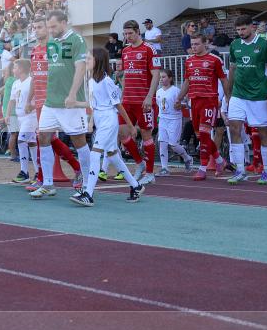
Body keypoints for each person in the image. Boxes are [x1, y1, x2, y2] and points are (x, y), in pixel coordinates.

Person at [71, 48, 145, 206]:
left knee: (95, 153)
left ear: (97, 60)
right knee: (112, 155)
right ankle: (136, 186)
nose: (87, 61)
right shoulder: (91, 81)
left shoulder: (107, 81)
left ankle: (88, 194)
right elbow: (92, 104)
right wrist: (76, 104)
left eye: (89, 58)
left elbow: (118, 105)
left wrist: (131, 126)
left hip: (108, 120)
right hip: (100, 119)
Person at [34, 10, 91, 200]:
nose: (51, 30)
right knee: (43, 137)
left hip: (70, 103)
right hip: (51, 101)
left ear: (64, 22)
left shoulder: (77, 39)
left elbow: (81, 67)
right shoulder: (52, 42)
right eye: (48, 27)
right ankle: (48, 184)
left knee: (79, 141)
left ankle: (87, 183)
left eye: (53, 26)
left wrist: (73, 94)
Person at [23, 15, 83, 191]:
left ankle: (51, 176)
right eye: (35, 27)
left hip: (55, 101)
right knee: (46, 138)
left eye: (40, 27)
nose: (37, 30)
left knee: (61, 137)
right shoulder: (34, 51)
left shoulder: (56, 48)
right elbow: (34, 77)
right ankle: (52, 176)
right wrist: (29, 100)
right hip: (41, 102)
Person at [225, 14, 267, 184]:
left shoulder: (265, 44)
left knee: (263, 132)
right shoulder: (235, 45)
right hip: (238, 95)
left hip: (259, 95)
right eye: (238, 30)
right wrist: (228, 94)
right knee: (234, 129)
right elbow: (232, 70)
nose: (240, 32)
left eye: (243, 29)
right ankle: (240, 170)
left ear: (252, 27)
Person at [176, 35, 227, 180]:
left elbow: (224, 79)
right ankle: (219, 160)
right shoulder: (189, 60)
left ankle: (202, 168)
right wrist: (179, 98)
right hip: (194, 101)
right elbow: (187, 81)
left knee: (204, 134)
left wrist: (227, 97)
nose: (194, 47)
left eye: (197, 44)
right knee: (200, 136)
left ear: (205, 44)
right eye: (192, 44)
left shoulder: (215, 60)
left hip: (209, 100)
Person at [120, 20, 161, 184]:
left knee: (146, 135)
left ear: (138, 32)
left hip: (143, 101)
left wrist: (149, 97)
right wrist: (122, 95)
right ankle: (140, 163)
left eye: (130, 33)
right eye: (125, 34)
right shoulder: (125, 51)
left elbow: (156, 74)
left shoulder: (149, 49)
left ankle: (150, 173)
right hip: (127, 101)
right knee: (122, 133)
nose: (127, 37)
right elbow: (125, 75)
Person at [155, 68, 192, 175]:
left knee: (173, 145)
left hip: (174, 119)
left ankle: (187, 158)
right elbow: (160, 106)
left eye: (164, 77)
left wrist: (180, 105)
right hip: (163, 119)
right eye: (160, 77)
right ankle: (165, 168)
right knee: (162, 143)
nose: (161, 79)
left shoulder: (176, 91)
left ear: (170, 78)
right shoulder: (158, 91)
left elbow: (185, 103)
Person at [9, 59, 37, 184]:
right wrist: (8, 114)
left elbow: (40, 97)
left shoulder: (31, 81)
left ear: (21, 69)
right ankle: (37, 172)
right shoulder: (15, 83)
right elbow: (12, 100)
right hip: (20, 117)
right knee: (31, 143)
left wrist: (33, 106)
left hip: (31, 116)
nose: (13, 70)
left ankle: (24, 172)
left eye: (15, 68)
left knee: (21, 140)